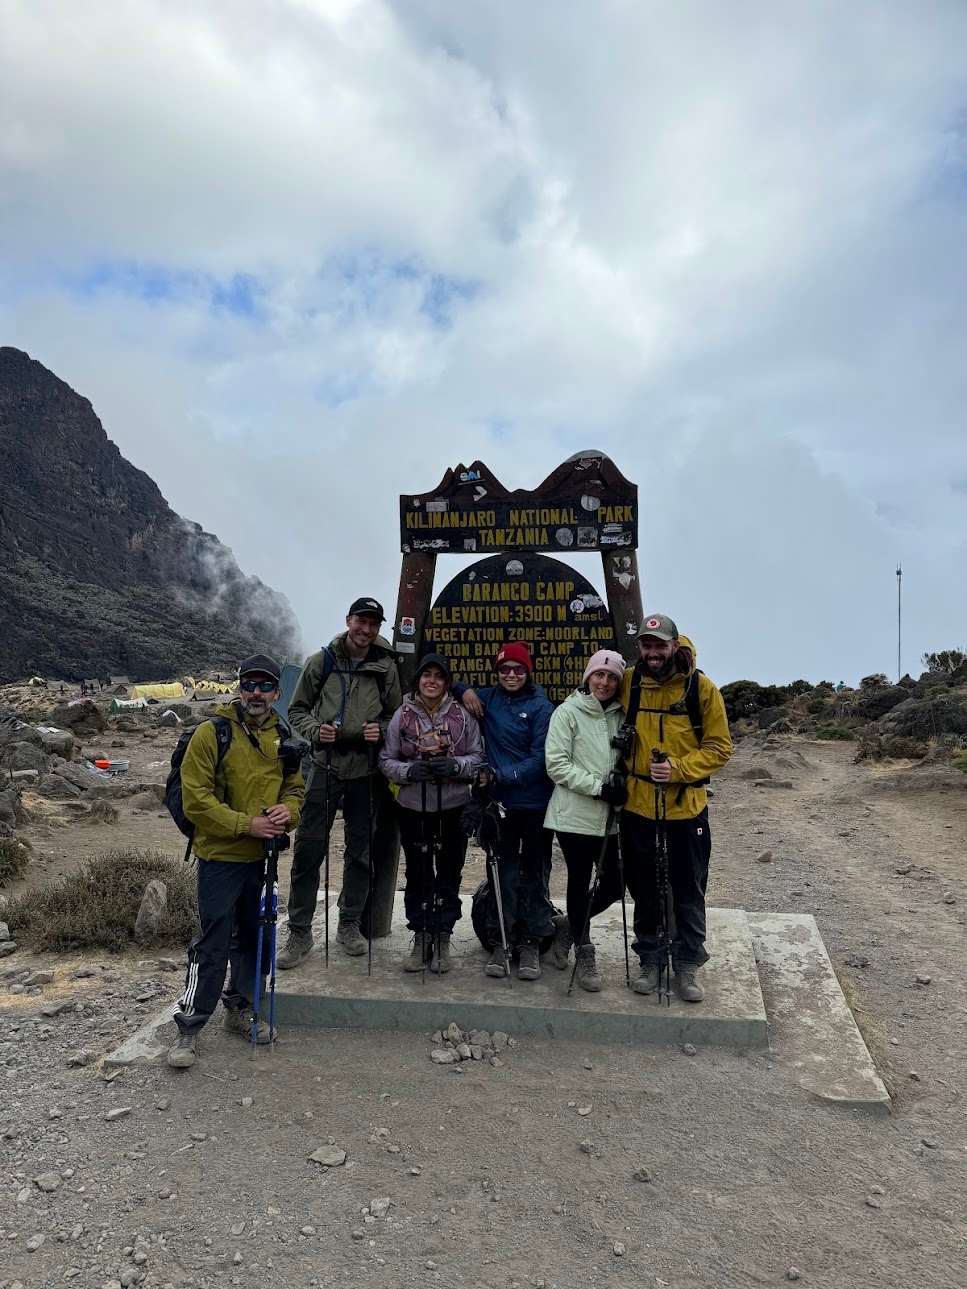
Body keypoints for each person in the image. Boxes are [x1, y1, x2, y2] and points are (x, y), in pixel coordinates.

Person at [167, 655, 304, 1069]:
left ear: (277, 693)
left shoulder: (284, 736)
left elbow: (295, 788)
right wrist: (249, 826)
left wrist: (288, 813)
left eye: (265, 686)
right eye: (250, 684)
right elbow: (196, 802)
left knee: (255, 937)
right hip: (221, 857)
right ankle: (189, 1027)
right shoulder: (212, 733)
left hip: (262, 860)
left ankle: (240, 1010)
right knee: (214, 939)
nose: (257, 693)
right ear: (239, 688)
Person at [278, 598, 402, 967]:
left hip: (365, 771)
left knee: (360, 853)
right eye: (361, 621)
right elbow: (296, 708)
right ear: (348, 620)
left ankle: (349, 923)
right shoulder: (323, 661)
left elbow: (395, 715)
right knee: (308, 851)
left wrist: (378, 729)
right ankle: (300, 931)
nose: (366, 630)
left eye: (374, 624)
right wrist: (316, 732)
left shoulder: (386, 666)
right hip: (325, 766)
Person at [618, 613, 732, 1002]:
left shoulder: (702, 689)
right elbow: (593, 694)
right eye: (646, 646)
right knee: (645, 889)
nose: (653, 653)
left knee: (688, 887)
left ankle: (687, 963)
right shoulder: (630, 681)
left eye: (660, 645)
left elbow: (720, 747)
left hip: (686, 808)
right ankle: (650, 958)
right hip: (637, 805)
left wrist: (680, 770)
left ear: (674, 646)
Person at [455, 641, 555, 981]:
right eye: (504, 669)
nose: (511, 675)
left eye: (518, 669)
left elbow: (541, 758)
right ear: (496, 671)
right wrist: (464, 689)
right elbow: (445, 681)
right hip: (500, 806)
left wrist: (504, 774)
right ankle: (501, 942)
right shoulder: (488, 699)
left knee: (537, 873)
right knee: (503, 873)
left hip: (536, 804)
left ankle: (531, 943)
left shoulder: (542, 707)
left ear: (529, 672)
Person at [379, 653, 483, 974]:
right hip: (414, 807)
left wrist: (457, 765)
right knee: (419, 872)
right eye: (427, 675)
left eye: (439, 676)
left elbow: (479, 757)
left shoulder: (463, 715)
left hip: (453, 807)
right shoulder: (402, 715)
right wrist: (409, 772)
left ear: (447, 682)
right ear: (418, 679)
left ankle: (442, 935)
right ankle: (421, 933)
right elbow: (386, 760)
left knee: (450, 872)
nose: (432, 681)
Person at [543, 650, 628, 991]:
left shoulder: (625, 716)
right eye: (599, 675)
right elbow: (556, 764)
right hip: (573, 816)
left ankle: (567, 925)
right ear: (588, 677)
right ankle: (585, 950)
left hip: (614, 817)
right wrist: (598, 788)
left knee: (614, 883)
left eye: (612, 678)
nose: (604, 683)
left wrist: (621, 784)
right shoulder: (568, 712)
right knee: (579, 881)